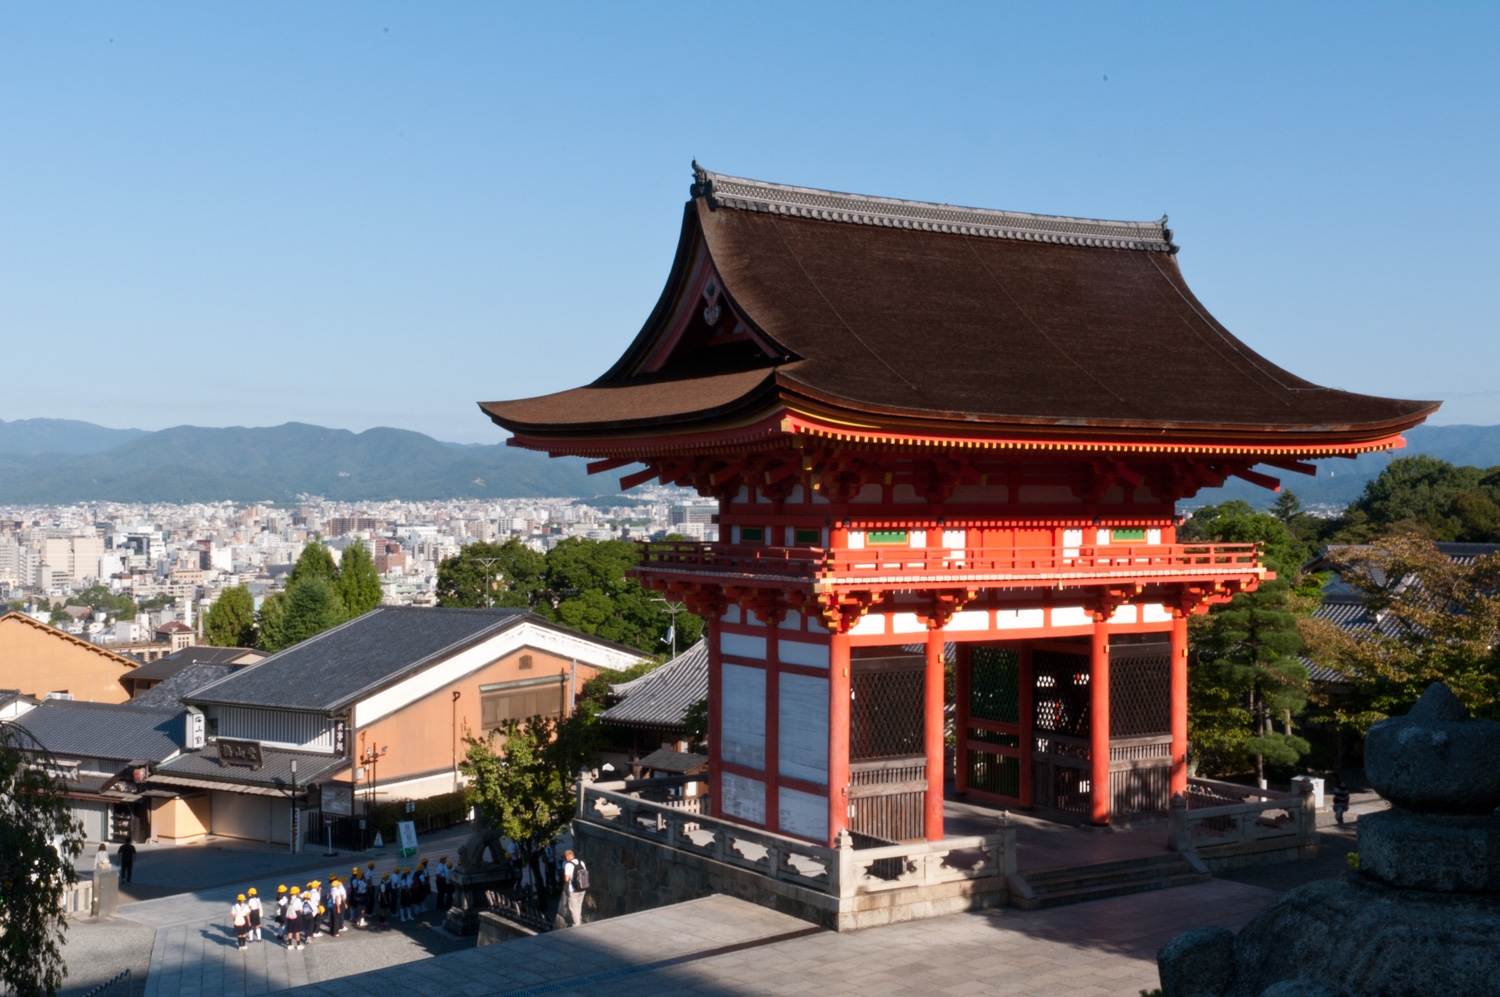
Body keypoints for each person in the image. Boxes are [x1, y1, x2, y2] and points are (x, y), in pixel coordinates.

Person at [561, 849, 587, 927]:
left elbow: (566, 879)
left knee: (573, 908)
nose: (565, 859)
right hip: (583, 888)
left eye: (565, 857)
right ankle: (579, 921)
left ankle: (576, 924)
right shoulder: (581, 862)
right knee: (579, 906)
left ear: (568, 856)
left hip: (573, 889)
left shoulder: (568, 865)